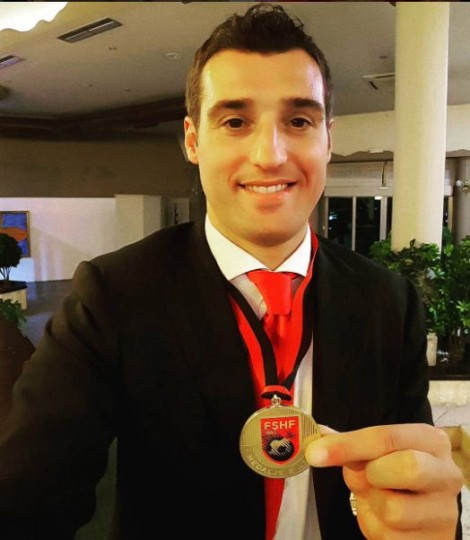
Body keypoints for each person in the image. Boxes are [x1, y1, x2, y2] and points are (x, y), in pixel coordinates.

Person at [0, 4, 463, 539]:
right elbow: (28, 500)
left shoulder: (387, 300)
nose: (270, 154)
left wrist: (433, 519)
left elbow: (414, 483)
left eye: (299, 121)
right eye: (236, 121)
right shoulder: (113, 295)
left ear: (328, 139)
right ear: (193, 140)